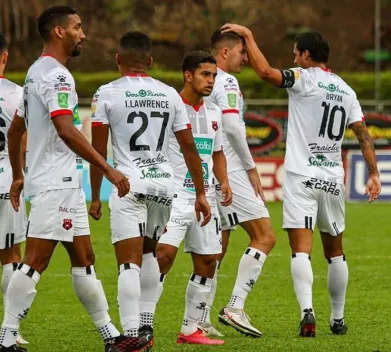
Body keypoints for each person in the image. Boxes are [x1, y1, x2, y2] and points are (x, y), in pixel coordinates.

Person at [2, 6, 148, 352]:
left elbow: (15, 130)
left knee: (85, 259)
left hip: (54, 181)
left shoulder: (35, 73)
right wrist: (109, 169)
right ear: (59, 32)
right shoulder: (57, 76)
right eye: (77, 28)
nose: (83, 34)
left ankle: (111, 336)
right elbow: (66, 130)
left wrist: (19, 175)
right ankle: (6, 337)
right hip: (57, 182)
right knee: (35, 261)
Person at [222, 24, 381, 337]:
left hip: (301, 176)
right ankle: (337, 319)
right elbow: (362, 133)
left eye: (296, 54)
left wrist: (250, 38)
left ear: (307, 56)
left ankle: (307, 311)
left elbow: (266, 73)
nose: (293, 60)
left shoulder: (303, 78)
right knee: (335, 251)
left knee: (301, 251)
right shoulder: (346, 90)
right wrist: (374, 172)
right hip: (333, 177)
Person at [89, 33, 211, 346]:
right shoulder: (169, 94)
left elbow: (98, 151)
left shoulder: (107, 93)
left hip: (129, 183)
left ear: (118, 60)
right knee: (149, 252)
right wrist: (199, 193)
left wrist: (95, 195)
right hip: (163, 184)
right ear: (151, 61)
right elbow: (189, 148)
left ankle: (130, 334)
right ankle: (146, 326)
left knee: (129, 262)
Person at [155, 51, 231, 345]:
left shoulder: (214, 112)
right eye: (205, 74)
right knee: (163, 256)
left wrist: (223, 180)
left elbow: (217, 152)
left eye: (213, 75)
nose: (211, 80)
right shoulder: (170, 107)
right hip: (173, 195)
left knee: (208, 261)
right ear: (188, 75)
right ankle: (140, 323)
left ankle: (190, 329)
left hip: (205, 197)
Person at [206, 30, 276, 338]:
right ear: (224, 53)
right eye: (241, 53)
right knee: (265, 236)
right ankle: (235, 305)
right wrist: (251, 168)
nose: (245, 59)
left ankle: (197, 320)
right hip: (231, 169)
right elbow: (233, 128)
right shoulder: (227, 81)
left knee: (216, 247)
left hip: (210, 168)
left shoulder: (203, 80)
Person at [0, 33, 28, 347]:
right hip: (8, 182)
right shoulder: (19, 94)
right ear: (5, 56)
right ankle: (10, 331)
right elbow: (23, 141)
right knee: (11, 257)